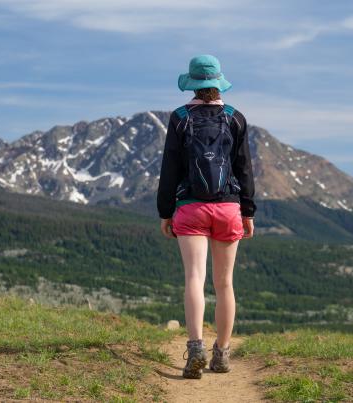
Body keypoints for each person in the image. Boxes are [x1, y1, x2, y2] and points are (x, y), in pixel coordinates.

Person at [157, 54, 256, 379]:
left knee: (193, 280)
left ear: (194, 84)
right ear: (217, 82)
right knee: (225, 283)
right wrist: (247, 209)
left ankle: (195, 348)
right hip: (228, 207)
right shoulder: (236, 118)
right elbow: (244, 167)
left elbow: (169, 168)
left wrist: (166, 211)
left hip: (190, 207)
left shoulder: (180, 118)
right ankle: (222, 354)